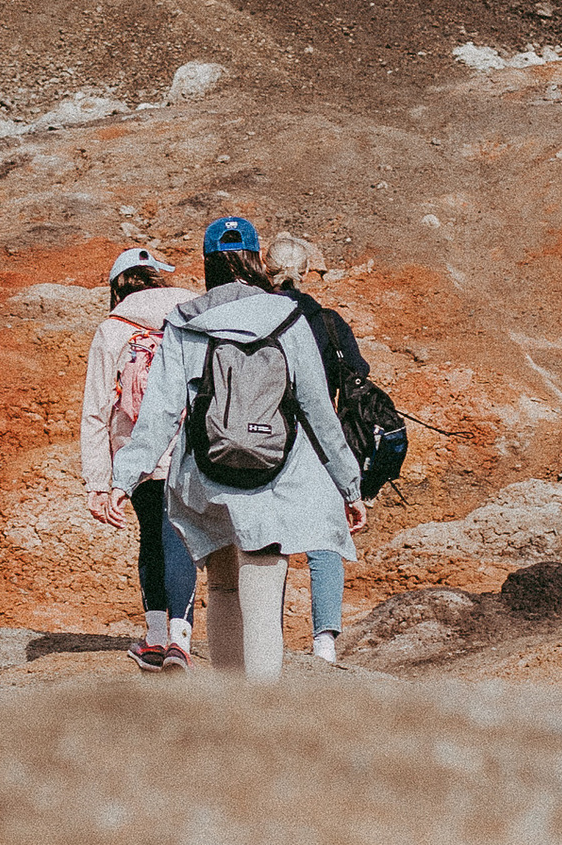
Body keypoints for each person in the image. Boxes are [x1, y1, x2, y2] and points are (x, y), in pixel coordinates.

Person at [109, 213, 365, 683]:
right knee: (263, 604)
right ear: (254, 260)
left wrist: (122, 480)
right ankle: (261, 717)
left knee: (224, 590)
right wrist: (350, 486)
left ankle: (227, 714)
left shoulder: (187, 321)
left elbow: (161, 414)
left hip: (207, 479)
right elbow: (318, 414)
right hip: (277, 482)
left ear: (209, 263)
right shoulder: (287, 318)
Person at [82, 243, 198, 671]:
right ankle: (180, 640)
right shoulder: (193, 314)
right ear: (159, 280)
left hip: (134, 450)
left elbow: (95, 409)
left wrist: (98, 482)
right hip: (189, 443)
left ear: (118, 288)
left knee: (152, 532)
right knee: (179, 534)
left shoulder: (112, 329)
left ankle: (153, 639)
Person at [267, 230, 374, 663]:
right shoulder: (328, 321)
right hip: (317, 441)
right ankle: (324, 642)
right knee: (324, 538)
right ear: (308, 272)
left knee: (267, 538)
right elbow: (358, 372)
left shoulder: (258, 316)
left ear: (266, 270)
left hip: (265, 438)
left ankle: (265, 636)